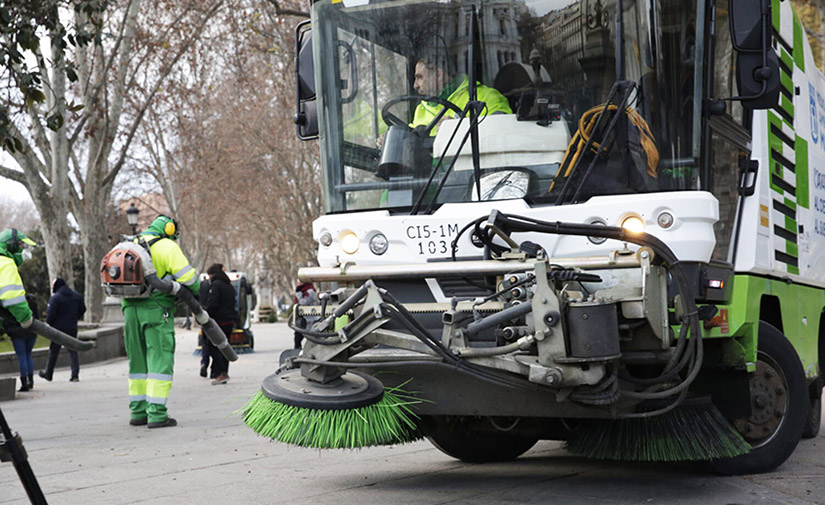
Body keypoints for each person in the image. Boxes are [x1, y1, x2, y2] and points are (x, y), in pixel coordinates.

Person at [122, 215, 199, 429]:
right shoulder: (167, 246)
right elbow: (189, 280)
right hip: (156, 309)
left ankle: (137, 412)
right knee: (159, 360)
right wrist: (197, 292)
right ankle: (157, 414)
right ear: (169, 229)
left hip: (129, 309)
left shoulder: (132, 243)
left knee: (137, 363)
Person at [410, 57, 512, 130]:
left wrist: (461, 128)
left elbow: (502, 129)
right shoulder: (421, 109)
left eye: (419, 77)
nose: (415, 85)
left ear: (438, 74)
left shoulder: (486, 97)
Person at [0, 228, 38, 392]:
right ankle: (28, 380)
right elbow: (14, 299)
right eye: (21, 245)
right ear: (11, 245)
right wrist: (26, 318)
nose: (24, 249)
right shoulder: (5, 264)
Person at [39, 277, 86, 382]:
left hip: (58, 329)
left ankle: (48, 373)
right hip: (71, 327)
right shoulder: (76, 296)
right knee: (73, 350)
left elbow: (50, 315)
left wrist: (50, 324)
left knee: (53, 352)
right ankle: (75, 374)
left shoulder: (55, 298)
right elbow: (83, 309)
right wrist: (75, 318)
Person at [203, 264, 237, 385]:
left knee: (213, 347)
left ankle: (220, 373)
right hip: (229, 320)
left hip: (218, 321)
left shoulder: (216, 286)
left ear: (212, 274)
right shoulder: (229, 286)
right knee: (224, 346)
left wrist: (206, 314)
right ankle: (224, 373)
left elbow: (213, 303)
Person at [5, 295, 39, 392]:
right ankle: (31, 380)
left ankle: (24, 383)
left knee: (22, 357)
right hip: (31, 332)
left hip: (17, 333)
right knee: (28, 355)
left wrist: (9, 331)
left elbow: (7, 320)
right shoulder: (31, 303)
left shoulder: (11, 304)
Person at [293, 282, 319, 350]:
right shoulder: (303, 291)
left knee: (312, 338)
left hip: (311, 319)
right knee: (297, 337)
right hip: (303, 319)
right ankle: (297, 350)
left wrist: (299, 295)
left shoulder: (310, 292)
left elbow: (303, 303)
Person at [197, 274, 212, 378]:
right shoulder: (214, 285)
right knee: (216, 346)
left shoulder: (202, 285)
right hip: (216, 319)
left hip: (204, 318)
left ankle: (204, 363)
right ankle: (215, 370)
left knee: (205, 344)